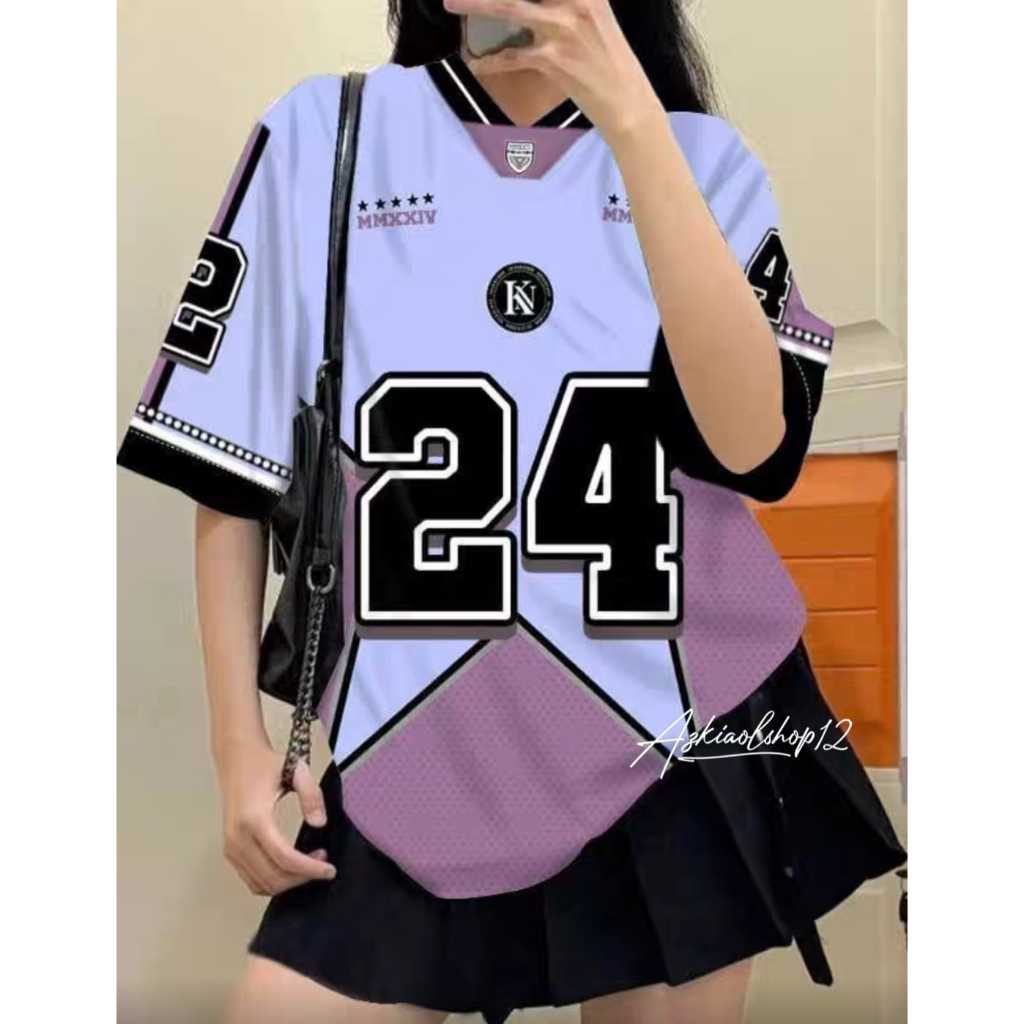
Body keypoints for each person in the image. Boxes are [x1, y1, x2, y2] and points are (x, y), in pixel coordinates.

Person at [117, 1, 907, 1021]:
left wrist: (633, 121)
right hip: (414, 732)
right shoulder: (324, 137)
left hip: (675, 729)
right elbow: (228, 462)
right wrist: (237, 747)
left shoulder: (701, 161)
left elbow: (752, 447)